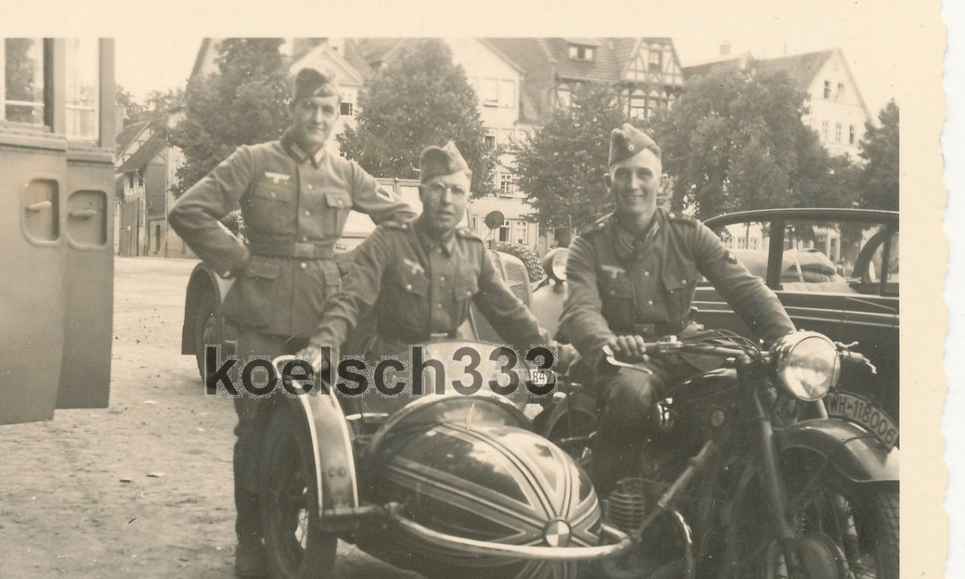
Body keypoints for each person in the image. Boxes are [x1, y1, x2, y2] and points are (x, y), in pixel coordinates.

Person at [168, 68, 415, 579]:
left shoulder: (347, 173)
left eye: (329, 110)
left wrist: (356, 263)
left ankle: (300, 528)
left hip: (324, 322)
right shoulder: (254, 160)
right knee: (255, 427)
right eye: (310, 107)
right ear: (292, 109)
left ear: (336, 116)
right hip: (260, 318)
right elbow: (189, 211)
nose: (319, 118)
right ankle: (251, 539)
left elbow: (400, 219)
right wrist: (238, 261)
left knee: (326, 426)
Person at [561, 123, 796, 495]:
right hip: (621, 361)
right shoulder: (589, 245)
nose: (633, 184)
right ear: (609, 183)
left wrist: (790, 340)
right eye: (623, 175)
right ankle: (608, 506)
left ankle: (720, 498)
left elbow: (746, 289)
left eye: (644, 174)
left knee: (751, 386)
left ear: (662, 182)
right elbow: (580, 312)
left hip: (684, 350)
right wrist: (610, 342)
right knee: (632, 395)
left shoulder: (690, 234)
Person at [299, 140, 553, 376]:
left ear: (467, 199)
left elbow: (509, 313)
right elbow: (351, 300)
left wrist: (552, 354)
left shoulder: (473, 250)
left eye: (457, 191)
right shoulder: (389, 240)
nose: (446, 200)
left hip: (451, 368)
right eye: (438, 189)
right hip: (391, 370)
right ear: (421, 193)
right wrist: (324, 346)